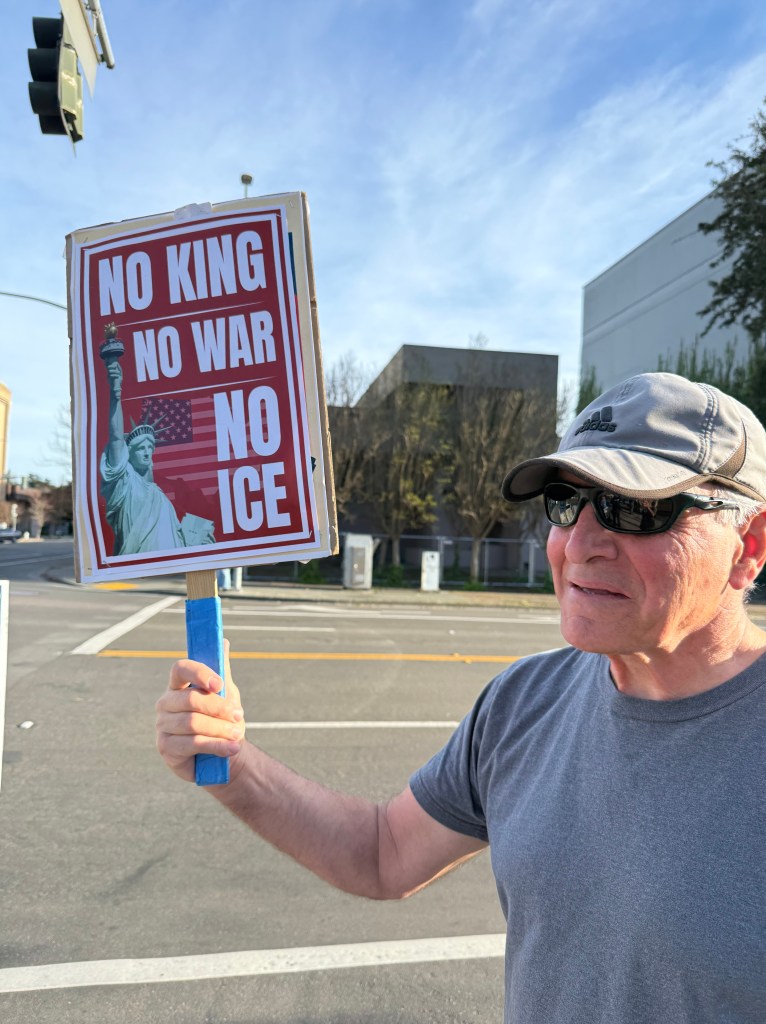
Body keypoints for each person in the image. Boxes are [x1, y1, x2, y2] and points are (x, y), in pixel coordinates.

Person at [156, 372, 766, 1023]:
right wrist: (231, 759)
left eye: (636, 509)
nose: (581, 545)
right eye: (565, 503)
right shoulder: (523, 702)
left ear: (748, 547)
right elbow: (384, 854)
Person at [101, 359, 215, 555]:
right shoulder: (125, 483)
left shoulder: (160, 497)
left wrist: (200, 542)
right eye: (140, 448)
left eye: (150, 447)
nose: (147, 452)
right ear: (128, 455)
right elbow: (116, 435)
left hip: (170, 569)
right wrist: (115, 392)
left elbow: (175, 542)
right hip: (137, 565)